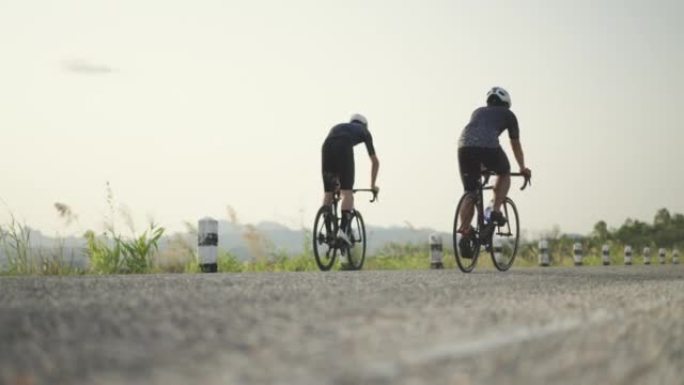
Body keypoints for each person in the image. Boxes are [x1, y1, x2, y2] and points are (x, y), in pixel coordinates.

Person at [457, 87, 531, 257]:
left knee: (470, 192)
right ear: (506, 104)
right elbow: (515, 144)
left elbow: (476, 138)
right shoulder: (509, 115)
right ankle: (496, 210)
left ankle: (465, 231)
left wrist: (483, 168)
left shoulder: (477, 112)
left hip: (464, 146)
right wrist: (522, 167)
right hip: (488, 146)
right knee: (504, 172)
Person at [321, 113, 380, 247]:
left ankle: (329, 232)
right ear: (365, 125)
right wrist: (373, 185)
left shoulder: (341, 127)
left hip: (326, 145)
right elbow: (375, 162)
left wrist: (336, 181)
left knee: (328, 193)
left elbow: (334, 158)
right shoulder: (364, 131)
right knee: (347, 193)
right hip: (343, 146)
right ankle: (342, 232)